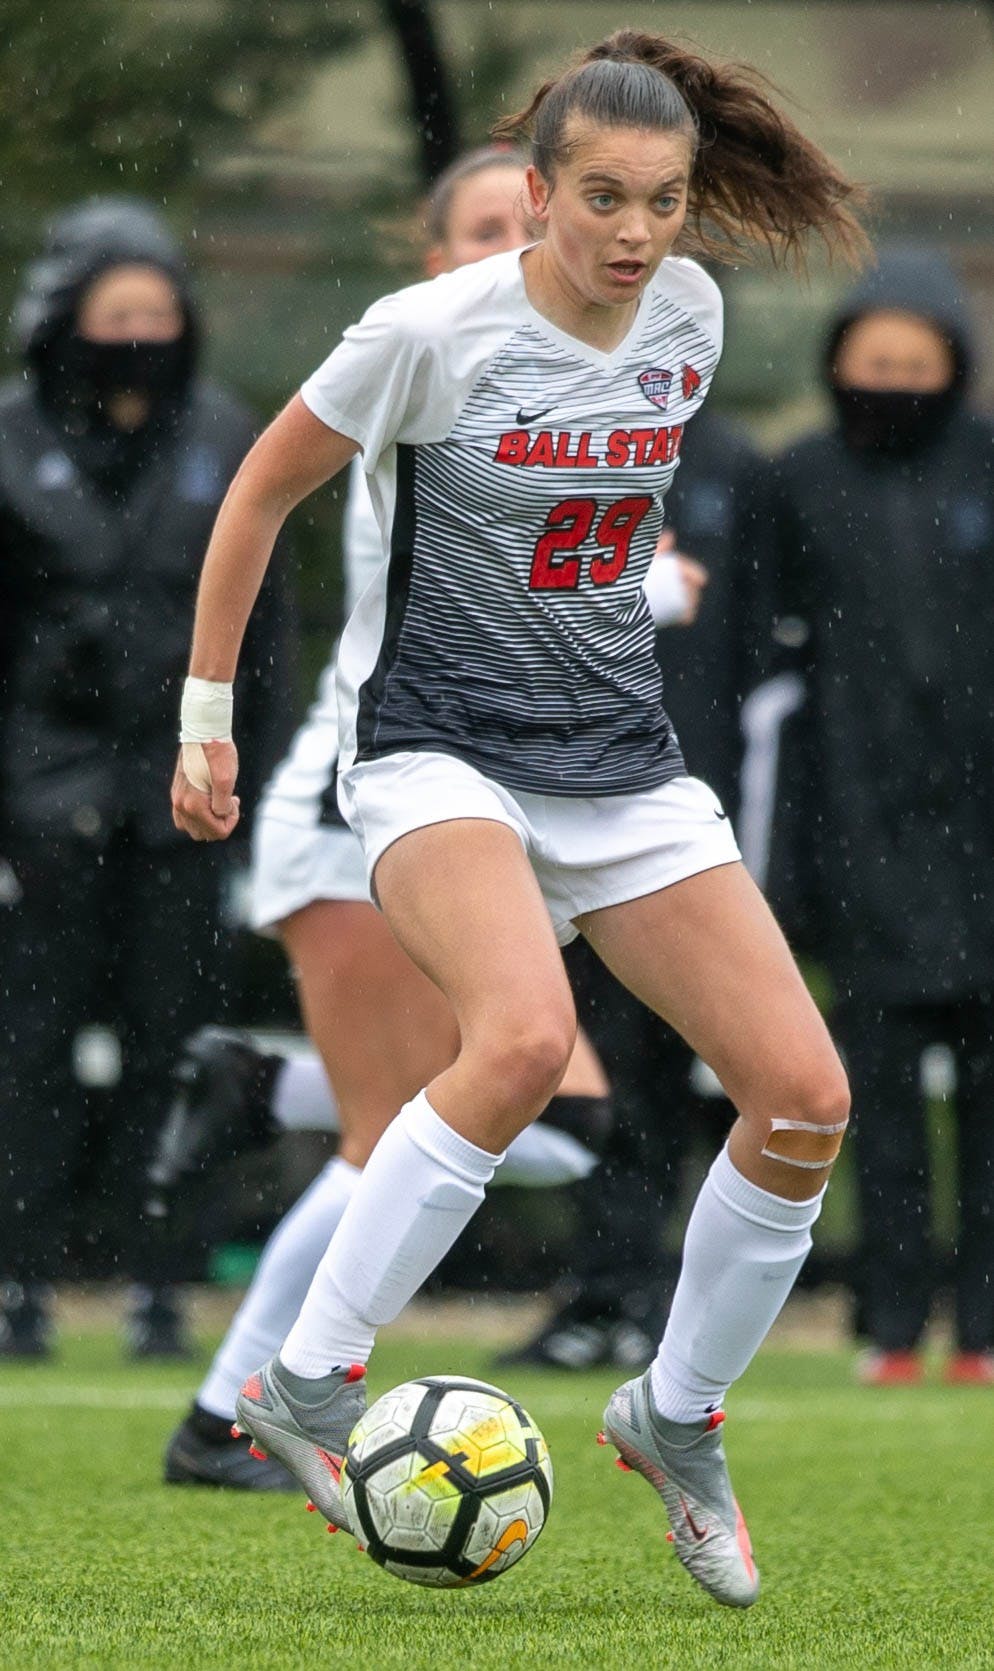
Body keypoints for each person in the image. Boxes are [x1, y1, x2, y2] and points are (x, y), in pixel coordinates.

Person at [171, 32, 862, 1609]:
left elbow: (592, 533)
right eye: (601, 197)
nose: (633, 231)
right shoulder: (425, 333)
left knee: (802, 1094)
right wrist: (204, 718)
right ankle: (302, 1380)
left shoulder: (688, 317)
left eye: (662, 201)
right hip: (434, 755)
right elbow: (259, 493)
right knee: (522, 1041)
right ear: (535, 194)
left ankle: (673, 1415)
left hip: (618, 760)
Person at [158, 148, 614, 1489]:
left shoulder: (576, 377)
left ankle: (262, 1087)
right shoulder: (420, 360)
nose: (511, 248)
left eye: (527, 225)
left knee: (560, 1125)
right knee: (389, 1142)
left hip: (469, 798)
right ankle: (225, 1416)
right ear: (431, 259)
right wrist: (201, 715)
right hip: (360, 803)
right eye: (481, 228)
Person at [0, 198, 291, 1358]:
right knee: (31, 1047)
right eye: (114, 316)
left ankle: (161, 1287)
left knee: (179, 1046)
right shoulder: (10, 440)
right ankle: (19, 1282)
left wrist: (255, 794)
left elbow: (266, 641)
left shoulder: (224, 437)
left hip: (183, 802)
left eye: (156, 316)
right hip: (44, 801)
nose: (137, 339)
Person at [763, 246, 994, 1387]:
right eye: (874, 362)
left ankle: (983, 1334)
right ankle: (889, 1328)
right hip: (857, 836)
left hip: (983, 843)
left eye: (916, 364)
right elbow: (768, 672)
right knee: (876, 1103)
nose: (893, 383)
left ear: (953, 367)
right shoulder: (798, 479)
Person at [507, 402, 768, 1369]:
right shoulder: (537, 440)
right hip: (552, 808)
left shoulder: (738, 469)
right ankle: (603, 1289)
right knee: (563, 1056)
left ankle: (657, 1300)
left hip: (682, 826)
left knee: (684, 1072)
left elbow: (764, 672)